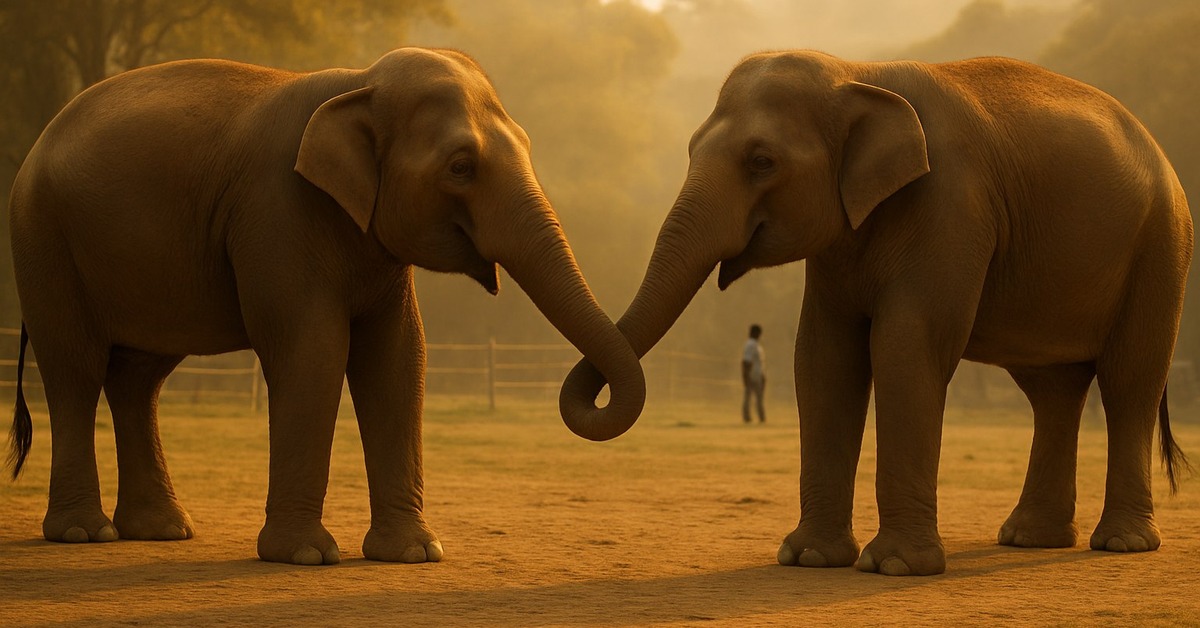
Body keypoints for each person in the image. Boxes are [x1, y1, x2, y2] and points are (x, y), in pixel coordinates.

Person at [742, 324, 766, 424]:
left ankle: (761, 417)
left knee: (758, 398)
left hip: (757, 375)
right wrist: (746, 376)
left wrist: (763, 375)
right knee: (749, 397)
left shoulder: (756, 345)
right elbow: (746, 361)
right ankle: (747, 417)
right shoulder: (750, 345)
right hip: (752, 375)